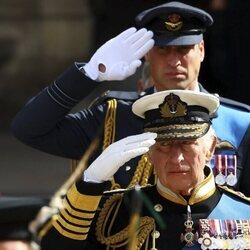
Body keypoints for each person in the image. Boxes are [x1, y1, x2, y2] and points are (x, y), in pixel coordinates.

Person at [11, 1, 250, 195]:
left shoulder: (238, 123)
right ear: (146, 53)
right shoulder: (114, 117)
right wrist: (90, 74)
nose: (174, 61)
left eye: (183, 50)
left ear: (201, 50)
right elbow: (29, 129)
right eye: (163, 50)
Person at [40, 90, 250, 250]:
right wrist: (91, 183)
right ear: (149, 152)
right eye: (164, 145)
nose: (176, 158)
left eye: (187, 143)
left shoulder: (244, 213)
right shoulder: (113, 212)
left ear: (211, 148)